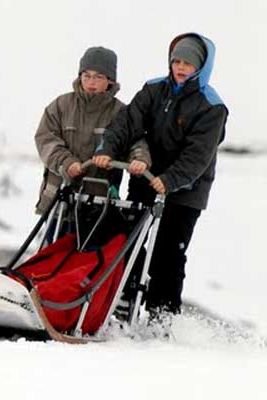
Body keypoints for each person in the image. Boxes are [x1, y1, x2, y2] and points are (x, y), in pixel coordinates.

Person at [93, 33, 228, 318]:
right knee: (125, 239)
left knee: (168, 254)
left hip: (185, 191)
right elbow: (126, 125)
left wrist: (169, 180)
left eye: (188, 63)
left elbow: (198, 156)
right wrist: (107, 149)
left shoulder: (212, 106)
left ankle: (161, 317)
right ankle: (122, 301)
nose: (180, 67)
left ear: (201, 67)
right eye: (176, 60)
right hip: (146, 178)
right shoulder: (154, 90)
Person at [34, 46, 150, 239]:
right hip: (59, 201)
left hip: (98, 206)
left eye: (98, 77)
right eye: (86, 76)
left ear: (110, 80)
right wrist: (66, 162)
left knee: (86, 264)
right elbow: (45, 139)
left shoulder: (121, 113)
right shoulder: (61, 106)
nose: (91, 82)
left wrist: (139, 160)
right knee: (51, 260)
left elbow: (136, 142)